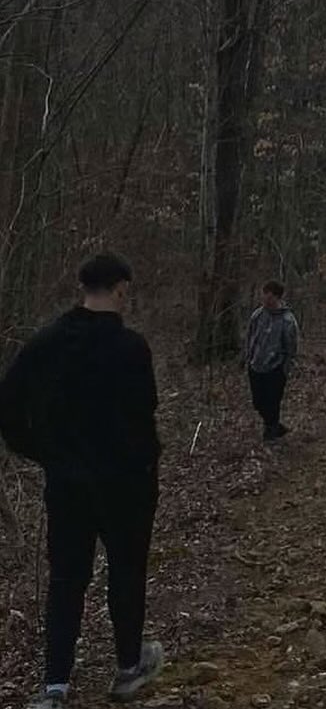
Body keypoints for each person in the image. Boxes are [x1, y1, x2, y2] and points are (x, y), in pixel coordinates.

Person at [0, 252, 164, 708]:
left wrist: (45, 454)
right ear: (120, 289)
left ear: (83, 287)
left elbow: (7, 408)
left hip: (68, 484)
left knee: (67, 579)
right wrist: (145, 466)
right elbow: (145, 413)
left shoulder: (45, 343)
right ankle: (128, 668)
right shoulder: (131, 348)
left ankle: (55, 685)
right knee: (127, 572)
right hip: (126, 485)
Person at [244, 279, 299, 441]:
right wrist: (248, 357)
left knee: (273, 401)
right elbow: (250, 336)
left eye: (269, 297)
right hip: (256, 365)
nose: (265, 300)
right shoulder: (258, 315)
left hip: (275, 367)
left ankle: (270, 432)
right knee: (258, 402)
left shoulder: (287, 320)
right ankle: (275, 426)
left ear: (276, 297)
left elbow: (291, 346)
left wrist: (285, 367)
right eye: (264, 296)